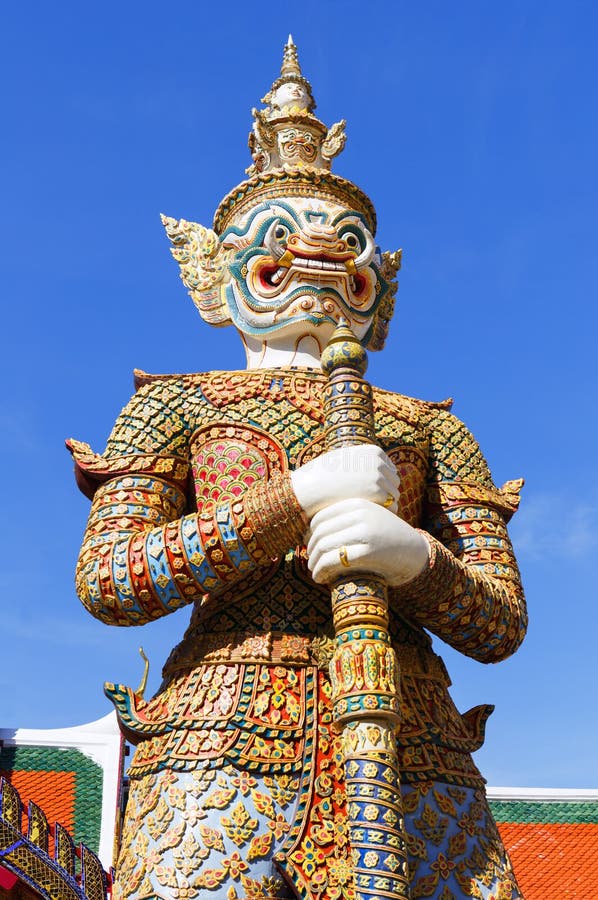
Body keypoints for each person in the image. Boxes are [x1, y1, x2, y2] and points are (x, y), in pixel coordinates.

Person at [69, 39, 526, 900]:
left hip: (411, 737)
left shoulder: (426, 428)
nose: (319, 248)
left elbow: (499, 623)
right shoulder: (175, 408)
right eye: (278, 236)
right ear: (217, 272)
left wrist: (412, 558)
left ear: (377, 286)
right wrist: (295, 499)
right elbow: (111, 580)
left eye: (347, 240)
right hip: (222, 737)